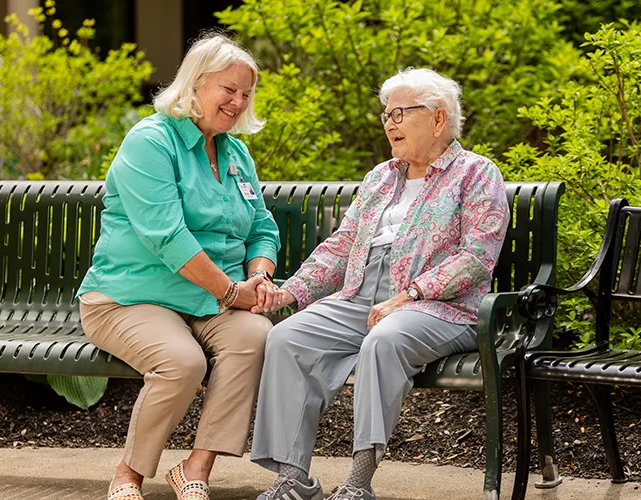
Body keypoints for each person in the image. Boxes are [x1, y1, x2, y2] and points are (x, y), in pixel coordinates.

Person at [250, 68, 510, 500]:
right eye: (386, 114)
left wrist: (411, 293)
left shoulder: (476, 174)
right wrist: (292, 290)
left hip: (440, 306)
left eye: (400, 113)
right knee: (287, 337)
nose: (389, 123)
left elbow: (477, 257)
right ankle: (292, 478)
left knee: (383, 340)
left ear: (438, 119)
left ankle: (357, 482)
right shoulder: (380, 177)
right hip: (361, 296)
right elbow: (344, 243)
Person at [77, 32, 280, 500]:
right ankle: (129, 473)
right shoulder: (151, 141)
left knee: (257, 338)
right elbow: (167, 236)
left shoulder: (234, 152)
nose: (238, 101)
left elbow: (261, 227)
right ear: (195, 82)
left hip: (208, 299)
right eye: (228, 89)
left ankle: (194, 469)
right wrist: (232, 293)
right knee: (181, 362)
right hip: (130, 297)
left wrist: (260, 275)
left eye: (246, 93)